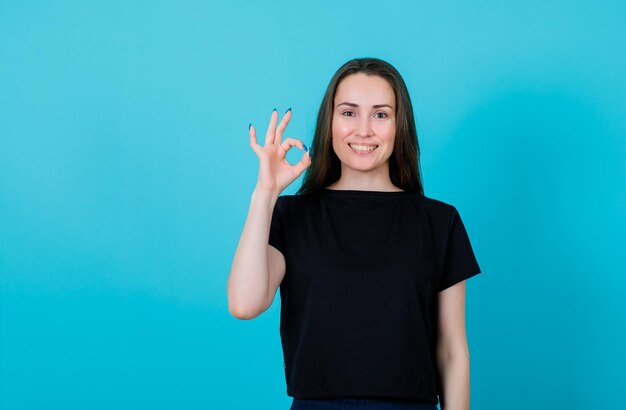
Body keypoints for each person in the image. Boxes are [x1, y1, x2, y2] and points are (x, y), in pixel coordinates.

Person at [227, 57, 482, 410]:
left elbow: (452, 351)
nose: (363, 130)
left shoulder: (439, 222)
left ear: (399, 125)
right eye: (348, 113)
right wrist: (265, 194)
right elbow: (244, 304)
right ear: (329, 122)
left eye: (380, 114)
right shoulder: (290, 215)